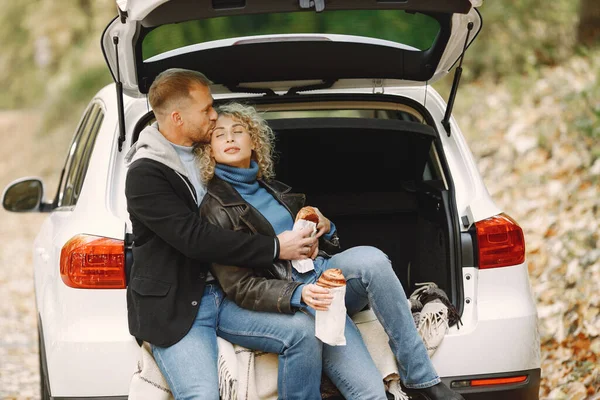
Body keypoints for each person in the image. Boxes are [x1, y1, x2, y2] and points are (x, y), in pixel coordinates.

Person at [196, 102, 466, 400]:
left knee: (373, 260)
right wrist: (299, 295)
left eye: (238, 131)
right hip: (296, 296)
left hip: (323, 276)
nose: (230, 138)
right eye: (219, 135)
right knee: (371, 394)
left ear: (254, 141)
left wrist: (326, 227)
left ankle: (421, 377)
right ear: (209, 149)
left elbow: (313, 245)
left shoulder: (276, 189)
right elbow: (239, 286)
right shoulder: (213, 208)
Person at [124, 68, 319, 400]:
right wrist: (275, 247)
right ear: (177, 118)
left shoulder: (210, 154)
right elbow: (195, 238)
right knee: (201, 395)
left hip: (231, 294)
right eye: (206, 110)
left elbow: (253, 203)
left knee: (303, 333)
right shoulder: (145, 173)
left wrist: (313, 219)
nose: (215, 116)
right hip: (179, 308)